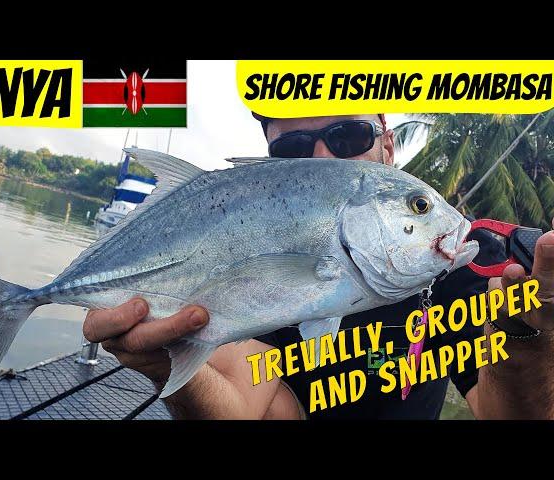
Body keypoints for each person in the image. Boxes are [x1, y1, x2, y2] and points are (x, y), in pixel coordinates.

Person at [82, 113, 554, 419]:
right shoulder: (254, 244)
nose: (323, 158)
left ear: (387, 149)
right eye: (292, 149)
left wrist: (531, 346)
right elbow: (245, 406)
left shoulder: (450, 271)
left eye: (347, 136)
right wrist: (167, 363)